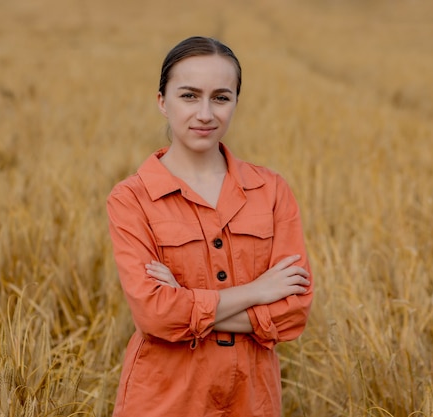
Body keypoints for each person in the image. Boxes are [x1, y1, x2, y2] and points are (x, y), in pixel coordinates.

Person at [106, 36, 313, 417]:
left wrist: (186, 302)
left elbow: (294, 310)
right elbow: (154, 315)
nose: (205, 113)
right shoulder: (131, 198)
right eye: (189, 96)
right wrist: (258, 291)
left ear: (236, 102)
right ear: (162, 102)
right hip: (163, 401)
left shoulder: (271, 191)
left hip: (252, 401)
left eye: (221, 97)